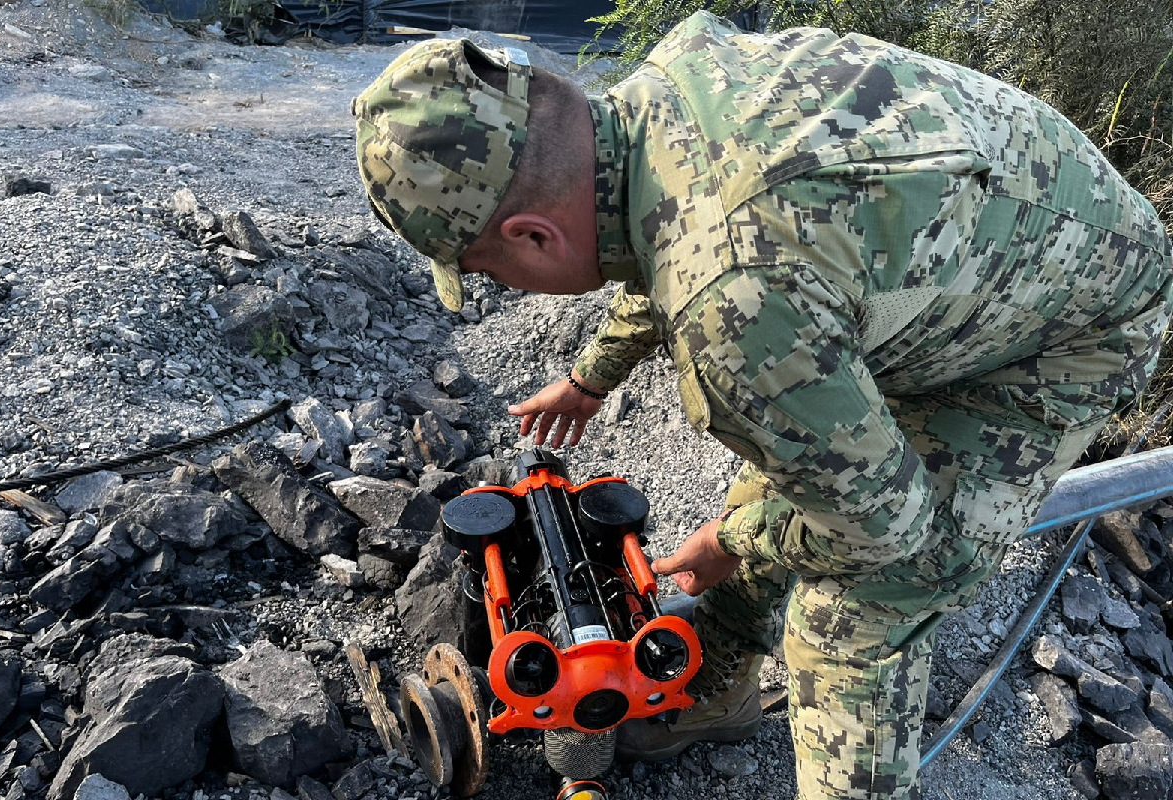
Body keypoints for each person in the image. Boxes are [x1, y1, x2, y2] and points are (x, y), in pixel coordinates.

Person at [351, 12, 1173, 799]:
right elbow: (665, 233)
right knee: (789, 476)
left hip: (1068, 331)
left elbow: (888, 531)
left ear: (534, 236)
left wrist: (734, 537)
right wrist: (594, 375)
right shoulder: (662, 93)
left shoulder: (737, 302)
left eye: (489, 268)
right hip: (973, 265)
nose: (502, 282)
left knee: (856, 611)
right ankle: (713, 690)